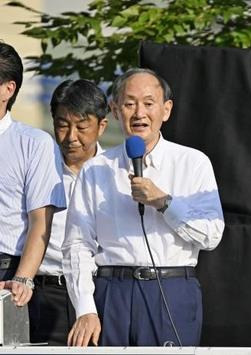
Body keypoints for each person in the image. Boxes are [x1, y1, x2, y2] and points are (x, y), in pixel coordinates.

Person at [62, 68, 225, 347]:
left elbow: (211, 235)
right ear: (115, 110)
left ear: (166, 110)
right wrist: (86, 308)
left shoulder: (192, 163)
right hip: (113, 291)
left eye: (149, 103)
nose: (139, 113)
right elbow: (77, 245)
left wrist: (164, 203)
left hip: (171, 289)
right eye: (129, 103)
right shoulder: (96, 170)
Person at [28, 79, 108, 345]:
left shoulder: (116, 173)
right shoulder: (38, 171)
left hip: (102, 292)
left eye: (82, 127)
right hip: (47, 292)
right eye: (62, 125)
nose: (71, 137)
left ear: (102, 126)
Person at [0, 41, 66, 307]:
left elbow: (40, 221)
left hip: (6, 271)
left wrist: (23, 279)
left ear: (8, 88)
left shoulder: (34, 143)